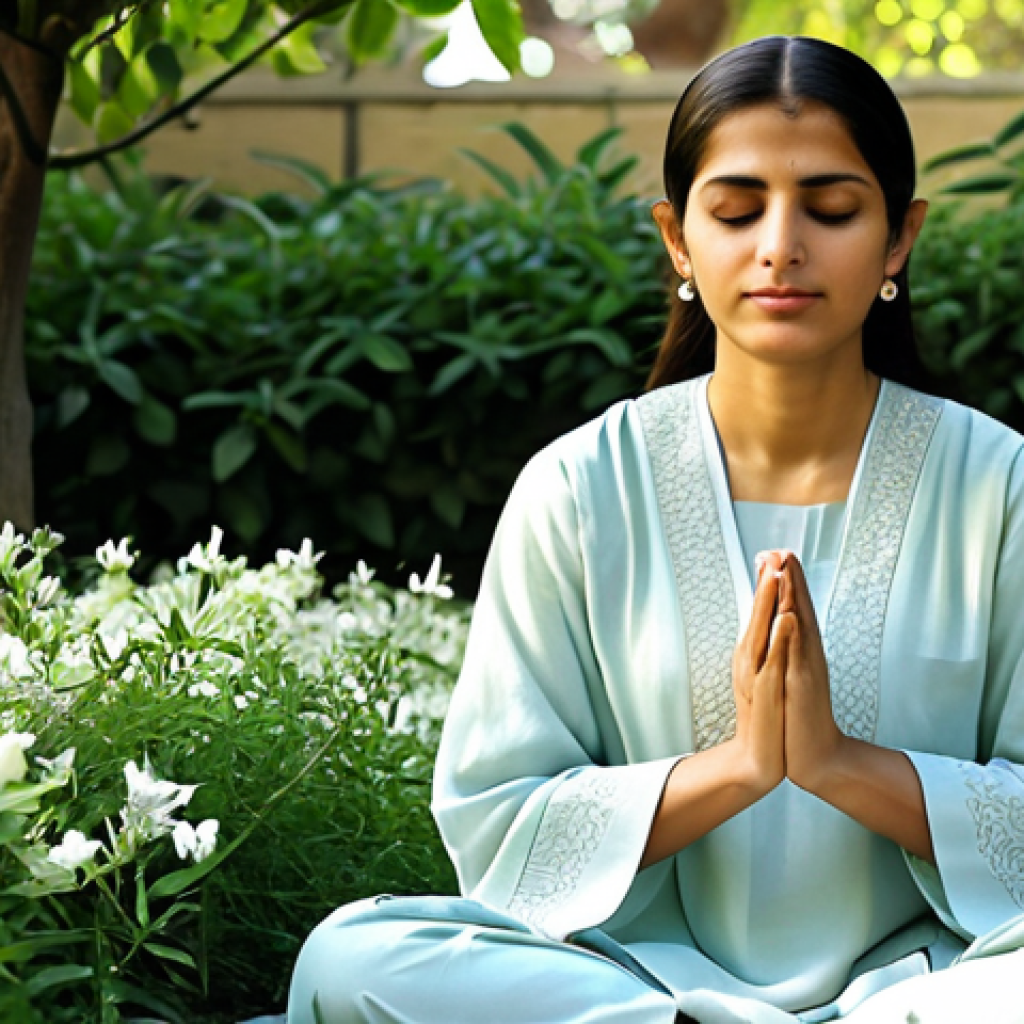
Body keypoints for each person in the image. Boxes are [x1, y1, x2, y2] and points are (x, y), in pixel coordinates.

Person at [286, 35, 1024, 1024]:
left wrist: (842, 765)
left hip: (934, 979)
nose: (779, 245)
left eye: (832, 207)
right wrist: (739, 769)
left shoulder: (1000, 485)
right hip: (637, 981)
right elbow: (500, 820)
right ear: (678, 240)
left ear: (897, 239)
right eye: (735, 210)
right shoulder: (577, 486)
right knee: (353, 955)